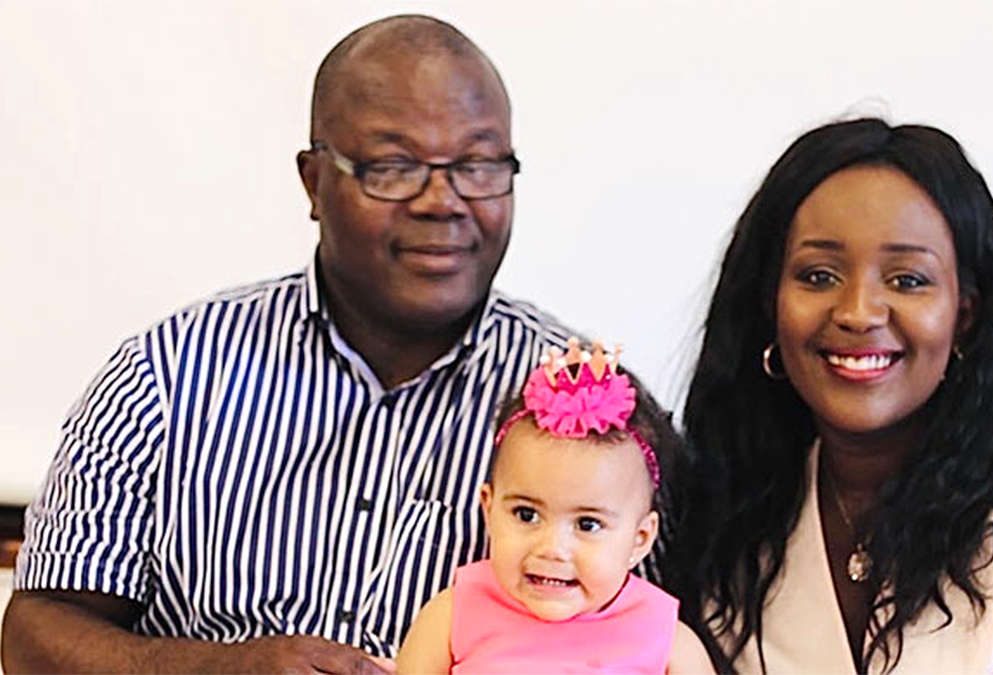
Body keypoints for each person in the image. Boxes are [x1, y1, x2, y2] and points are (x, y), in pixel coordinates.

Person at [2, 15, 575, 674]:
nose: (442, 201)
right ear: (313, 182)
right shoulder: (167, 374)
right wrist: (215, 669)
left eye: (477, 165)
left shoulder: (578, 399)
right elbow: (35, 635)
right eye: (393, 167)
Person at [667, 118, 993, 673]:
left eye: (907, 280)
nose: (857, 312)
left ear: (965, 316)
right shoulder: (732, 521)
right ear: (769, 305)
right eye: (819, 275)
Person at [395, 338, 712, 674]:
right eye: (526, 515)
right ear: (489, 510)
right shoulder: (454, 615)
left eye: (587, 524)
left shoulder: (667, 640)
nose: (552, 549)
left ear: (641, 537)